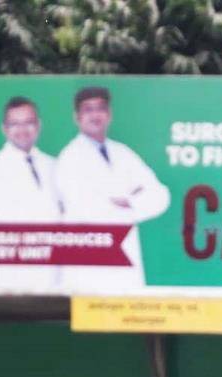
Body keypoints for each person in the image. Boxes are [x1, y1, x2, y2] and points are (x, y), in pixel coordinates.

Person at [55, 85, 170, 293]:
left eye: (100, 108)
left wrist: (130, 202)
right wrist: (132, 198)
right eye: (88, 110)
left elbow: (161, 195)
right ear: (77, 117)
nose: (95, 115)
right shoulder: (70, 158)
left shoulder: (123, 153)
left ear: (109, 115)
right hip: (90, 263)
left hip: (126, 260)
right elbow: (88, 210)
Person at [0, 96, 63, 292]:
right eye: (15, 124)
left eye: (28, 122)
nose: (22, 130)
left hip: (54, 267)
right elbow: (1, 216)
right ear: (4, 129)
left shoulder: (54, 165)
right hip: (13, 271)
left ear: (39, 125)